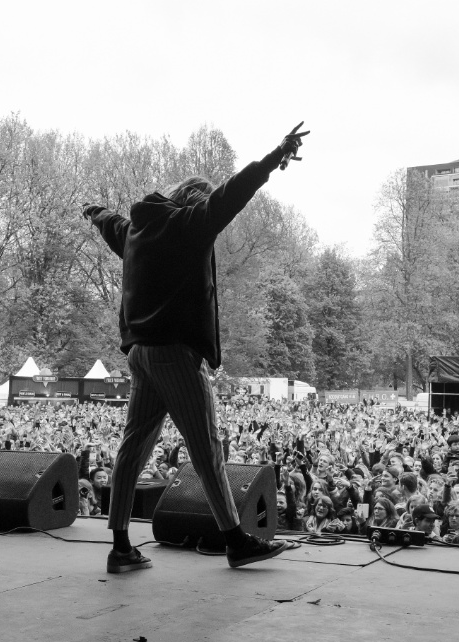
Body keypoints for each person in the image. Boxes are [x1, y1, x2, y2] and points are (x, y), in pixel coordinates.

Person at [82, 123, 310, 573]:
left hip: (140, 354)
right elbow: (235, 192)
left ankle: (121, 545)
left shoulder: (136, 231)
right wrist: (275, 156)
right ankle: (235, 541)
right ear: (193, 200)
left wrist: (93, 211)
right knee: (206, 446)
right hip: (174, 353)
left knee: (133, 448)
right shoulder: (190, 225)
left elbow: (110, 222)